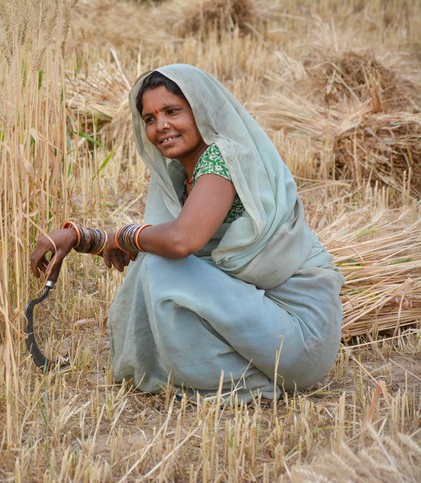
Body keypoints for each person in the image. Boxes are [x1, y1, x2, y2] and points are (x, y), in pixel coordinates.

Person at [29, 64, 344, 402]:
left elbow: (182, 241)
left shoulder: (222, 158)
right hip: (269, 336)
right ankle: (228, 375)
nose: (161, 125)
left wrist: (122, 236)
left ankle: (242, 382)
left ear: (200, 111)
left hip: (300, 337)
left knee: (159, 266)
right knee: (153, 260)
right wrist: (81, 237)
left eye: (172, 111)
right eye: (149, 118)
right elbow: (157, 239)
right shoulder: (181, 175)